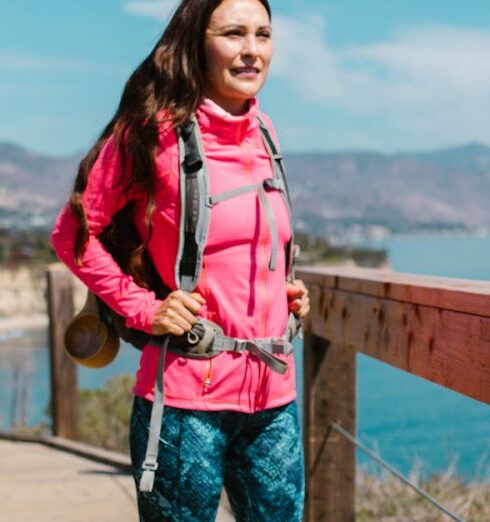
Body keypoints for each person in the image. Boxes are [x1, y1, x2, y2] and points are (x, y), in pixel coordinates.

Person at [51, 0, 310, 520]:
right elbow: (73, 235)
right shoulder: (150, 133)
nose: (251, 51)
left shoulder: (266, 134)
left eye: (263, 34)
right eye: (233, 34)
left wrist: (281, 291)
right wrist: (143, 308)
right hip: (185, 401)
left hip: (272, 397)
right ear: (197, 42)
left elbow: (242, 250)